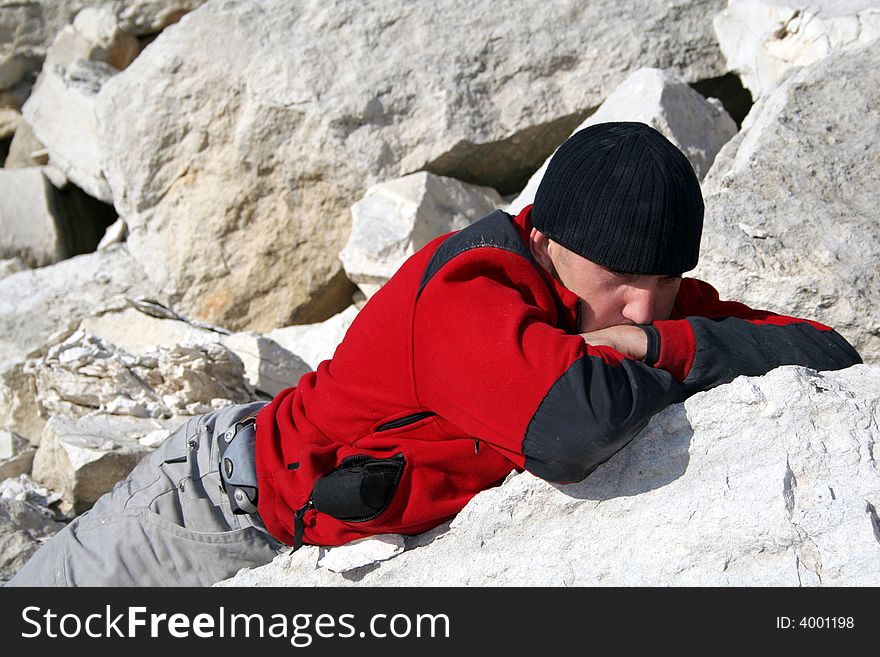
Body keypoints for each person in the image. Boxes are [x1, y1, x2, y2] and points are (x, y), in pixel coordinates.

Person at [9, 122, 862, 586]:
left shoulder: (643, 303)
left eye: (665, 281)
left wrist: (651, 336)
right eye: (620, 281)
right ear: (549, 237)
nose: (639, 302)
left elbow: (824, 348)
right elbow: (574, 423)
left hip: (302, 537)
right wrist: (670, 345)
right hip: (204, 514)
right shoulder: (466, 291)